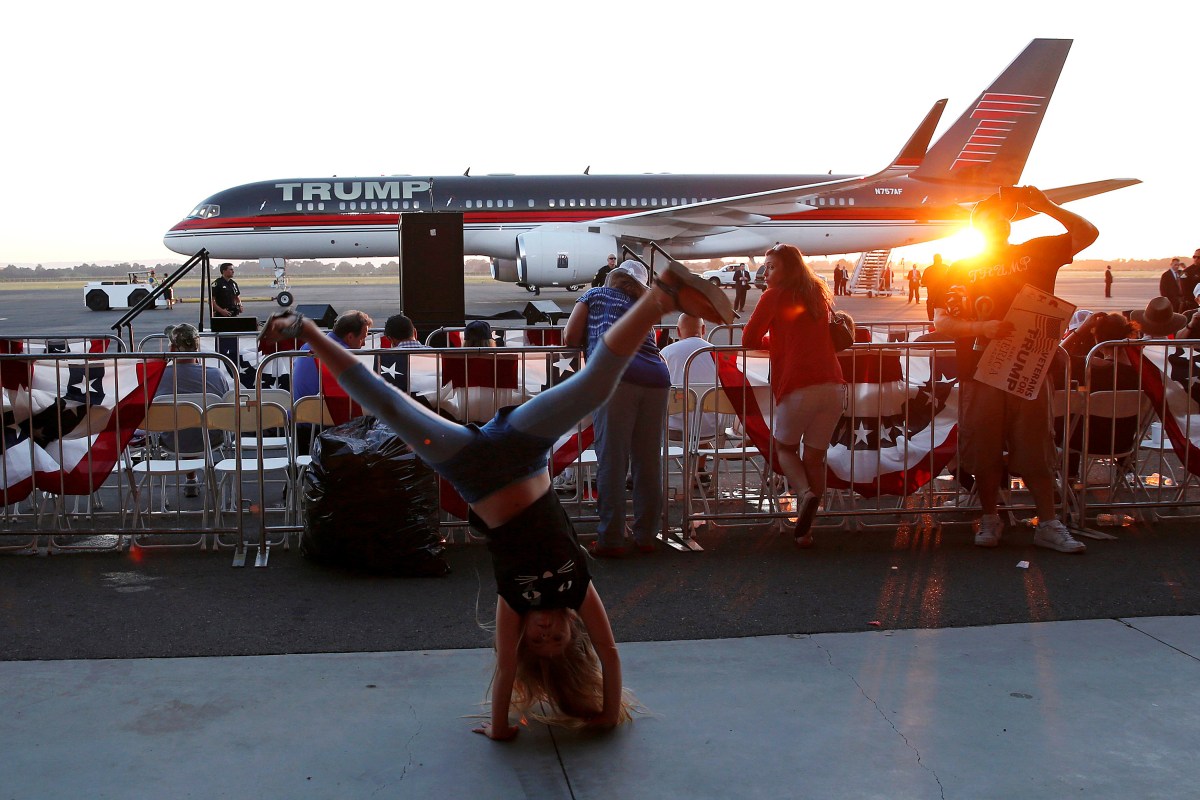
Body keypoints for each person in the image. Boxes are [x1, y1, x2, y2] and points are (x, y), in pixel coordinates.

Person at [257, 261, 731, 739]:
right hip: (523, 453)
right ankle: (659, 298)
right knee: (593, 387)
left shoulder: (512, 601)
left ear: (525, 636)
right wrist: (608, 713)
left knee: (389, 405)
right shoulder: (577, 588)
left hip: (471, 471)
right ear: (572, 631)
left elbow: (505, 670)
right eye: (557, 637)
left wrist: (501, 727)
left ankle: (308, 332)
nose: (545, 630)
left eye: (537, 639)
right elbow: (609, 653)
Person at [932, 185, 1098, 554]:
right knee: (985, 451)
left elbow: (1088, 233)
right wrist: (981, 329)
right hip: (979, 371)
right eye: (990, 214)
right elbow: (942, 320)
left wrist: (1046, 205)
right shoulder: (960, 266)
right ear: (978, 224)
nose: (999, 220)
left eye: (1003, 215)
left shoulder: (1036, 252)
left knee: (1037, 450)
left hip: (1029, 371)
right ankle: (991, 518)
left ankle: (1049, 523)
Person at [742, 244, 846, 548]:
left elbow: (748, 338)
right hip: (833, 384)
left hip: (798, 385)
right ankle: (807, 531)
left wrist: (774, 342)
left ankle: (804, 495)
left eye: (772, 266)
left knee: (784, 448)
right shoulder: (818, 293)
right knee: (814, 457)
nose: (766, 272)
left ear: (787, 268)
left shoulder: (773, 296)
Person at [564, 261, 671, 556]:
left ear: (613, 278)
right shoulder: (642, 305)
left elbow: (570, 336)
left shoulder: (595, 294)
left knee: (612, 459)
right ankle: (647, 536)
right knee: (647, 461)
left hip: (617, 376)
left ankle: (611, 538)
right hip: (656, 377)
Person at [155, 323, 231, 496]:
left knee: (182, 422)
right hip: (211, 439)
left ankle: (191, 479)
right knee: (196, 422)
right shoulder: (215, 375)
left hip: (171, 439)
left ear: (172, 348)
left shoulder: (159, 376)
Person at [291, 310, 373, 455]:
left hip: (301, 425)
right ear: (349, 337)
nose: (363, 344)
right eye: (362, 338)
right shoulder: (344, 356)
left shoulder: (307, 347)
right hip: (328, 428)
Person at [922, 254, 949, 322]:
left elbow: (923, 282)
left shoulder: (928, 270)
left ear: (933, 259)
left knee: (931, 312)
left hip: (932, 295)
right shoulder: (947, 268)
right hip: (945, 296)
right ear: (941, 259)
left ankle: (931, 323)